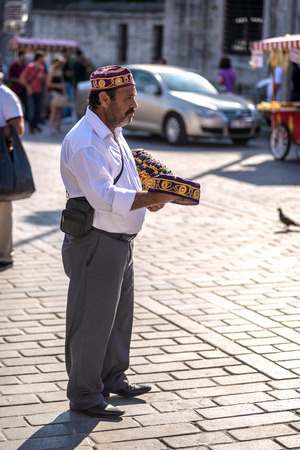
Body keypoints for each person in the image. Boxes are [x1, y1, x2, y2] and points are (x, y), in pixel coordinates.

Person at [60, 65, 178, 418]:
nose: (135, 105)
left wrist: (151, 199)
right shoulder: (84, 141)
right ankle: (84, 394)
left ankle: (113, 377)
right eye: (128, 99)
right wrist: (153, 196)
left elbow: (127, 184)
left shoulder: (112, 130)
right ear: (104, 99)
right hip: (96, 242)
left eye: (134, 98)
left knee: (117, 318)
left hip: (119, 241)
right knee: (91, 321)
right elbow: (104, 197)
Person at [0, 65, 24, 272]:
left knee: (1, 207)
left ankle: (4, 255)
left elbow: (18, 127)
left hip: (0, 156)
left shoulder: (5, 95)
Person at [20, 51, 46, 133]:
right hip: (31, 92)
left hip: (39, 91)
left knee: (38, 110)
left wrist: (42, 78)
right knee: (32, 110)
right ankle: (31, 127)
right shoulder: (30, 66)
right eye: (42, 58)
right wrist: (28, 87)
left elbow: (43, 80)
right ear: (39, 58)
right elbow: (22, 77)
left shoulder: (42, 68)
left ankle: (35, 125)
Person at [46, 57, 67, 134]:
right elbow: (48, 84)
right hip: (53, 93)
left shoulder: (60, 72)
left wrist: (64, 92)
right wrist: (57, 85)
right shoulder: (51, 72)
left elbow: (62, 83)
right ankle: (52, 127)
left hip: (60, 93)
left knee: (59, 111)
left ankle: (58, 126)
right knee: (53, 111)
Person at [8, 51, 28, 120]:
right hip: (15, 89)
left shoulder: (25, 66)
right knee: (15, 105)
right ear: (19, 56)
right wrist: (19, 81)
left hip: (23, 89)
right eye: (23, 56)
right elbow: (10, 78)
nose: (25, 58)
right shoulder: (13, 66)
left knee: (25, 106)